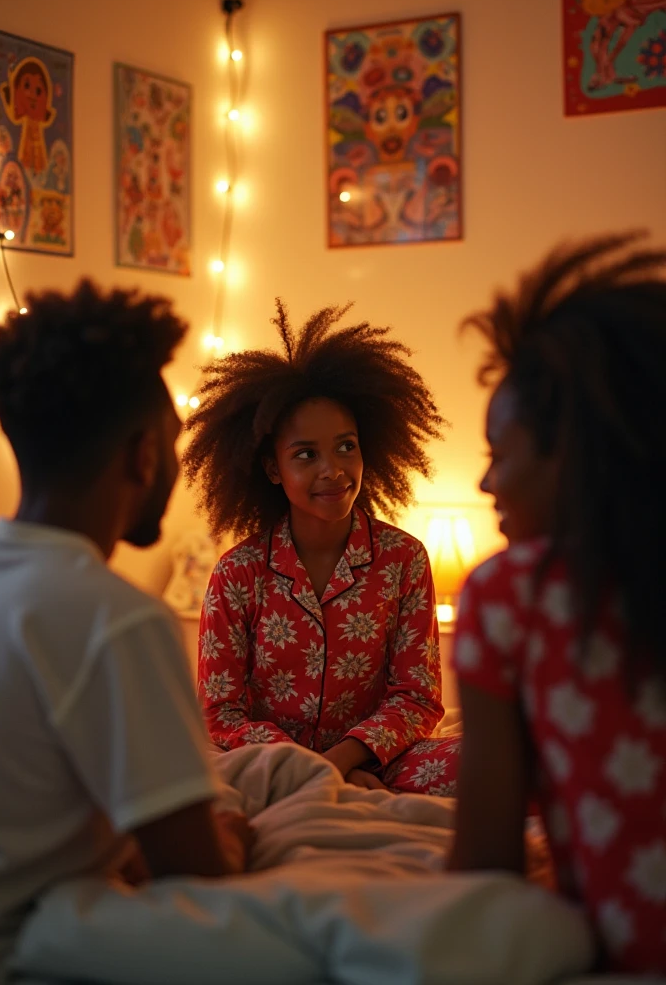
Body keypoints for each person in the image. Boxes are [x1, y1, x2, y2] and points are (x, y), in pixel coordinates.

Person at [0, 281, 253, 985]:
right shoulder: (118, 617)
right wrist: (232, 836)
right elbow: (197, 878)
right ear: (143, 456)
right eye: (175, 442)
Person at [449, 233, 666, 975]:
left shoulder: (512, 599)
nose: (483, 486)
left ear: (568, 452)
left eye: (497, 454)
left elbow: (484, 867)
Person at [184, 302, 461, 795]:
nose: (332, 469)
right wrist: (302, 769)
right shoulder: (237, 573)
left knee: (497, 761)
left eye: (346, 446)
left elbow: (417, 698)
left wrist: (339, 763)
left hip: (378, 760)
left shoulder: (404, 559)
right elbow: (220, 709)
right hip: (266, 765)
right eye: (306, 455)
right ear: (273, 470)